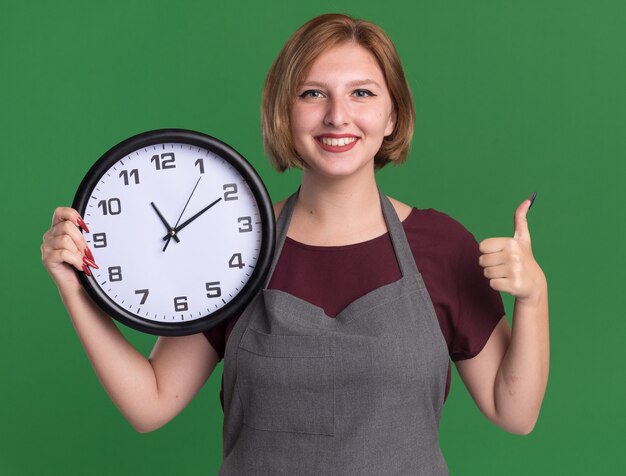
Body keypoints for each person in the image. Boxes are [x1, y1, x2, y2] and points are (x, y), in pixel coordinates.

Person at [41, 13, 549, 475]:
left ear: (393, 116)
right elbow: (150, 404)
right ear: (283, 112)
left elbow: (515, 411)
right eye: (312, 93)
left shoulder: (443, 246)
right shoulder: (229, 244)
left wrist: (534, 297)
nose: (337, 117)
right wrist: (74, 290)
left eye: (362, 93)